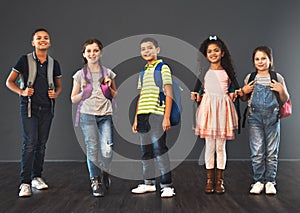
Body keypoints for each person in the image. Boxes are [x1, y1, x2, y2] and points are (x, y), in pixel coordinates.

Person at [6, 28, 62, 197]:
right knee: (30, 144)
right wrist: (22, 92)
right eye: (39, 38)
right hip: (29, 108)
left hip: (47, 108)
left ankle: (36, 177)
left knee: (41, 145)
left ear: (50, 42)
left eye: (45, 38)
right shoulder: (24, 60)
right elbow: (10, 82)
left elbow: (58, 86)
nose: (42, 40)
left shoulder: (54, 63)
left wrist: (56, 94)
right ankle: (24, 182)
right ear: (33, 42)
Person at [236, 46, 289, 195]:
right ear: (253, 61)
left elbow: (284, 99)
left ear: (270, 60)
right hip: (254, 117)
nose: (260, 62)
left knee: (272, 152)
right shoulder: (250, 77)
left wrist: (281, 90)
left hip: (273, 117)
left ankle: (270, 181)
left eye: (263, 58)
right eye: (257, 59)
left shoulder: (277, 77)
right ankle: (258, 180)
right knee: (257, 151)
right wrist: (243, 92)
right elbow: (244, 98)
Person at [191, 35, 238, 194]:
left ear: (222, 53)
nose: (213, 54)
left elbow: (234, 89)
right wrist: (196, 95)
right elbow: (198, 89)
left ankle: (220, 181)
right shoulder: (204, 72)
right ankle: (209, 180)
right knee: (209, 146)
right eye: (209, 51)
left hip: (223, 110)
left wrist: (235, 94)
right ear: (206, 54)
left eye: (216, 50)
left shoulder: (227, 72)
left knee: (221, 146)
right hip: (208, 109)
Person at [71, 38, 117, 197]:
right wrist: (83, 92)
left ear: (101, 52)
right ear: (84, 54)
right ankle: (95, 181)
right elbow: (73, 98)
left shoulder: (108, 72)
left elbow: (115, 95)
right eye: (89, 51)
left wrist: (110, 86)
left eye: (95, 50)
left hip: (105, 114)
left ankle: (105, 171)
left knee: (107, 149)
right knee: (92, 147)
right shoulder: (79, 75)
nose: (92, 54)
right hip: (87, 115)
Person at [131, 37, 175, 198]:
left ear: (157, 50)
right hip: (143, 115)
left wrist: (166, 117)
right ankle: (148, 183)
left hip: (157, 115)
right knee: (145, 151)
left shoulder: (163, 68)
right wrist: (136, 118)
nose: (146, 51)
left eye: (149, 48)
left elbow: (169, 93)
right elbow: (141, 96)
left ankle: (167, 184)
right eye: (143, 49)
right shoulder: (143, 72)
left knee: (159, 150)